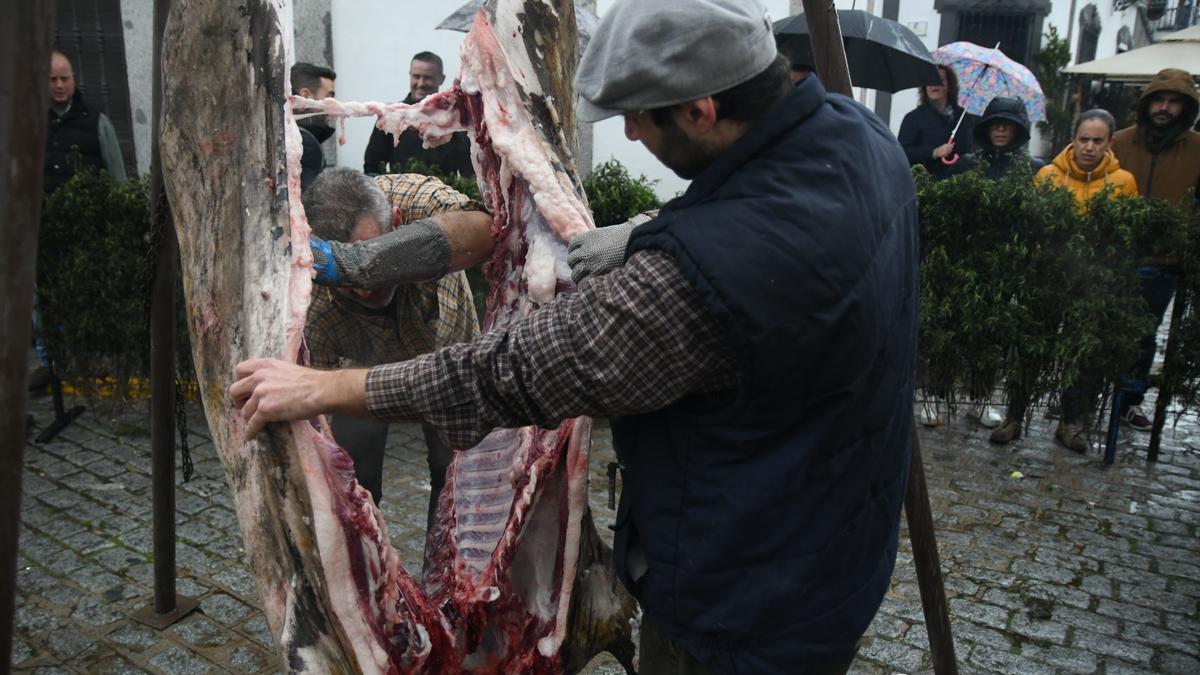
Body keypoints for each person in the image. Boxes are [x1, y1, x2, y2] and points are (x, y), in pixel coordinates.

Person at [232, 0, 918, 671]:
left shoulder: (697, 285)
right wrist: (659, 230)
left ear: (701, 110)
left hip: (744, 608)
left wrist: (326, 387)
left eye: (638, 119)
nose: (628, 136)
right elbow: (765, 220)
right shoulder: (858, 137)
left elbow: (507, 374)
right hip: (838, 545)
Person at [303, 168, 492, 540]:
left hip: (448, 359)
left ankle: (447, 579)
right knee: (355, 477)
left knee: (452, 474)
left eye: (372, 248)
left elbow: (485, 225)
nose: (362, 289)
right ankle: (374, 577)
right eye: (346, 282)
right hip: (366, 376)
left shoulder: (412, 199)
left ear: (397, 221)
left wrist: (364, 263)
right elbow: (317, 425)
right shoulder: (312, 301)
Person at [1036, 109, 1138, 453]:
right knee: (1033, 344)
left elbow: (1127, 234)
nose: (1090, 147)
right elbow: (1035, 225)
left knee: (1083, 355)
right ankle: (1015, 416)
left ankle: (1071, 421)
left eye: (1098, 140)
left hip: (1094, 283)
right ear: (1073, 139)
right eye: (1084, 139)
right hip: (1052, 277)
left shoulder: (1123, 181)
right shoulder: (1049, 175)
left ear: (1109, 142)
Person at [1110, 68, 1200, 432]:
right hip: (1114, 257)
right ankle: (1084, 400)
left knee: (1144, 334)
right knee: (1102, 330)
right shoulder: (1119, 142)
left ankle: (1129, 401)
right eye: (1159, 100)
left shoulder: (1196, 151)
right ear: (1147, 104)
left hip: (1163, 261)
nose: (1164, 108)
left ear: (1186, 108)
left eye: (1173, 102)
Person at [971, 96, 1046, 444]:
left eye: (1007, 125)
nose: (1001, 130)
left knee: (996, 335)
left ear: (1018, 129)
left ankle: (982, 396)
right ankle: (944, 395)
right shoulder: (972, 165)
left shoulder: (1032, 170)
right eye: (995, 124)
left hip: (1010, 265)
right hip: (973, 262)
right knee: (967, 330)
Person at [361, 52, 474, 177]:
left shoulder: (455, 123)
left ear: (441, 79)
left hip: (443, 194)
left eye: (427, 78)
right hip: (398, 194)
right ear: (410, 75)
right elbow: (371, 168)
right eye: (416, 76)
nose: (420, 83)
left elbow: (469, 175)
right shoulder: (391, 116)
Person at [45, 49, 127, 193]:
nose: (59, 85)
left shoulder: (99, 123)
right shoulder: (28, 125)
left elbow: (118, 179)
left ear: (73, 79)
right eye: (53, 79)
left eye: (64, 79)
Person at [898, 64, 974, 180]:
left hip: (958, 185)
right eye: (930, 79)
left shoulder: (962, 117)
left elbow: (968, 150)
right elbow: (902, 153)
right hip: (926, 186)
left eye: (940, 80)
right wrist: (934, 152)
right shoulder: (913, 118)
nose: (934, 83)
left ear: (949, 86)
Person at [290, 62, 337, 190]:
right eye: (329, 96)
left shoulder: (291, 133)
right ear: (306, 96)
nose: (335, 104)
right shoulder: (305, 142)